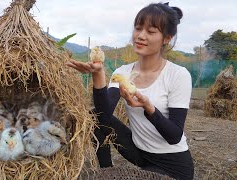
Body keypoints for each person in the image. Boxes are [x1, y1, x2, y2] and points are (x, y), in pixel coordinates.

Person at [67, 2, 194, 180]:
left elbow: (174, 136)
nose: (140, 36)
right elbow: (103, 117)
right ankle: (106, 171)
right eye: (138, 28)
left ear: (166, 38)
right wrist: (98, 74)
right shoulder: (123, 73)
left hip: (173, 166)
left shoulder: (178, 75)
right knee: (92, 115)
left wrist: (149, 108)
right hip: (139, 153)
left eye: (151, 32)